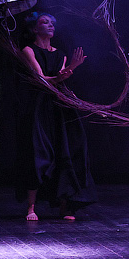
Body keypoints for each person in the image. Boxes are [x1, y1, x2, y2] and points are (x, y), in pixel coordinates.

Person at [17, 12, 95, 221]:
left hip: (58, 105)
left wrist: (71, 67)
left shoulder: (60, 54)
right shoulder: (28, 50)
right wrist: (66, 72)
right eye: (45, 22)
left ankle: (64, 205)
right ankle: (31, 207)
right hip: (38, 106)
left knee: (66, 150)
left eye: (52, 22)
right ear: (35, 29)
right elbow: (42, 80)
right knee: (38, 153)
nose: (50, 25)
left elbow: (59, 80)